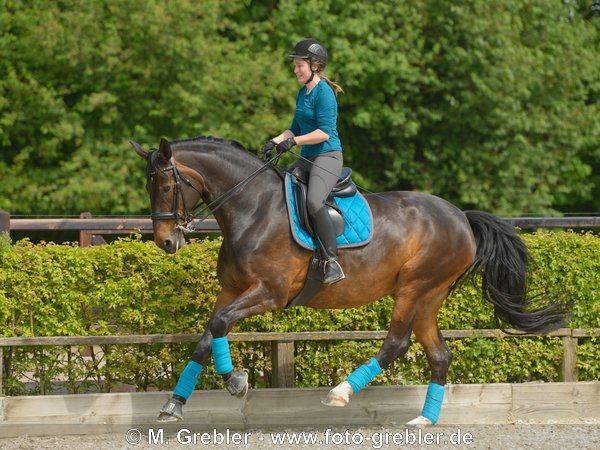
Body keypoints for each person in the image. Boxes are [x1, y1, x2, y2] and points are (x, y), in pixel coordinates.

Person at [262, 38, 345, 284]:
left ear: (315, 66)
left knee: (313, 201)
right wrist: (275, 141)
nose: (296, 69)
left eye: (300, 65)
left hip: (327, 156)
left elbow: (324, 133)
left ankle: (332, 261)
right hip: (307, 158)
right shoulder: (303, 92)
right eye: (295, 65)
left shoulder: (325, 94)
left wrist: (294, 142)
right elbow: (293, 129)